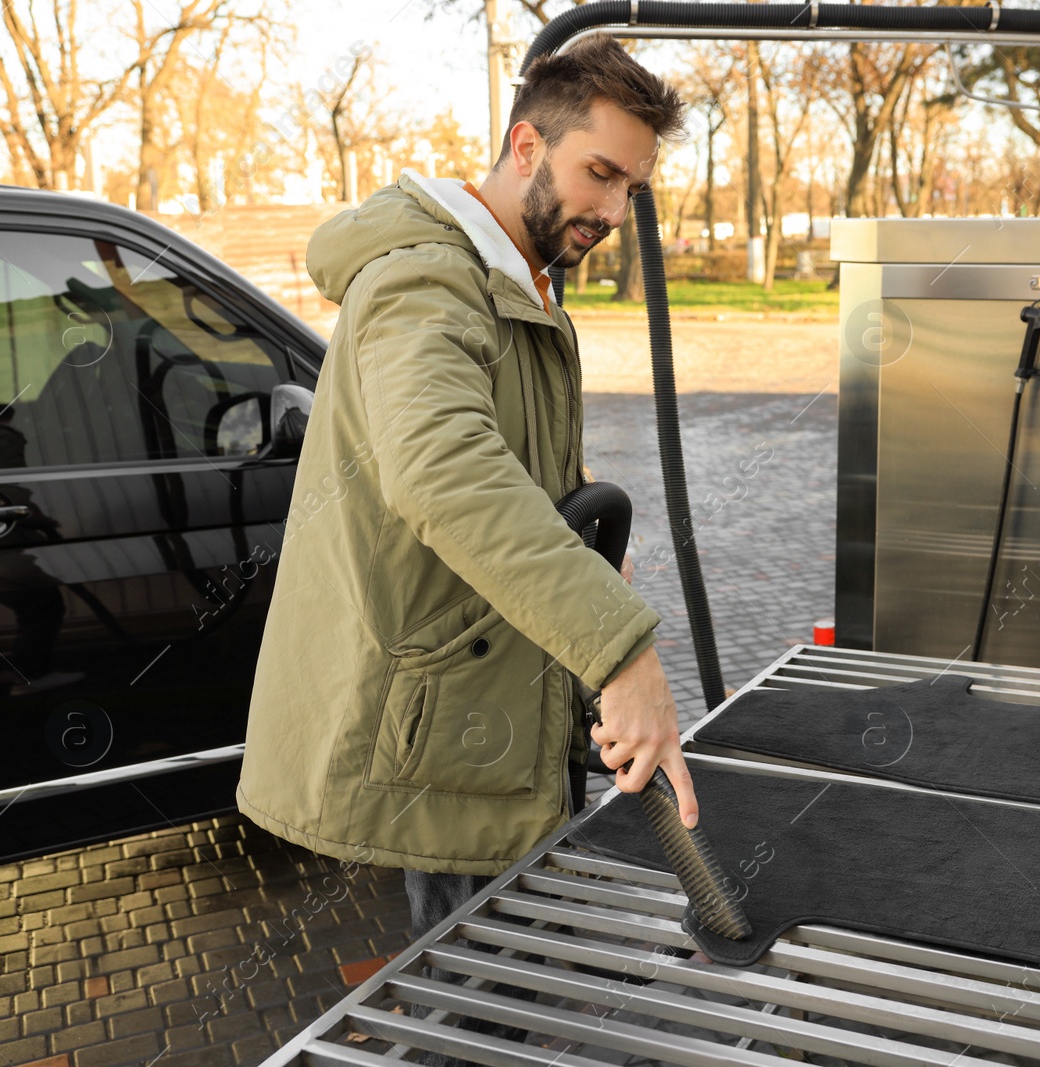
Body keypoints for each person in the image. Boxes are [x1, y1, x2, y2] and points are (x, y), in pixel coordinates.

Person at [236, 36, 698, 1062]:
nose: (616, 212)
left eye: (632, 187)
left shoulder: (514, 277)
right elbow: (445, 471)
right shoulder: (423, 286)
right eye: (600, 174)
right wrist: (621, 649)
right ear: (527, 143)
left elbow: (508, 478)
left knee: (496, 979)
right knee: (473, 1005)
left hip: (494, 697)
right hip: (445, 722)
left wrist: (579, 560)